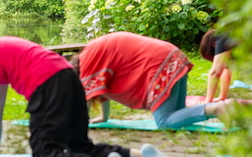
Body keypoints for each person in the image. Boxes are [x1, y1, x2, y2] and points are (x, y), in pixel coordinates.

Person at [0, 38, 171, 157]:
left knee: (44, 155)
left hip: (47, 83)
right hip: (67, 75)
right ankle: (140, 155)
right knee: (79, 146)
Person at [73, 31, 230, 129]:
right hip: (173, 55)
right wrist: (104, 118)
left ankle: (215, 109)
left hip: (160, 62)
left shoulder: (88, 60)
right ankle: (215, 109)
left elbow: (84, 98)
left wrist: (78, 125)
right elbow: (101, 91)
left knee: (165, 122)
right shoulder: (93, 53)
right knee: (179, 116)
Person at [199, 30, 237, 102]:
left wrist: (207, 101)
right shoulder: (229, 37)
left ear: (214, 44)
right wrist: (222, 97)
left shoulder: (223, 37)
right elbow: (226, 69)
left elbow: (215, 73)